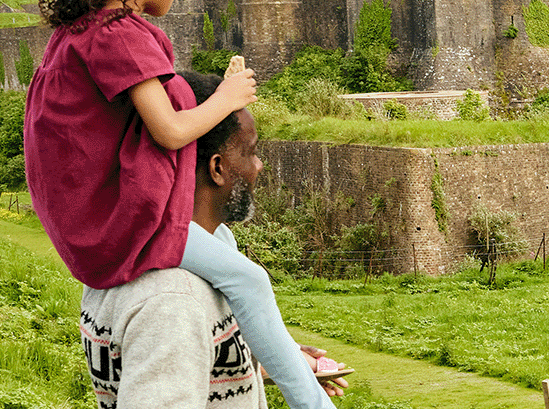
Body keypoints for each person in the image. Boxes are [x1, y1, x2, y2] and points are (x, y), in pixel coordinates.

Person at [25, 0, 333, 409]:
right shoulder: (122, 36)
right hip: (125, 223)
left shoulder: (78, 35)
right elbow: (168, 131)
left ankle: (292, 370)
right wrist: (228, 98)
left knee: (231, 259)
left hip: (89, 224)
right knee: (252, 281)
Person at [81, 71, 349, 407]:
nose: (259, 166)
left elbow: (180, 364)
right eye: (250, 152)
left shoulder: (133, 256)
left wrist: (275, 364)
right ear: (217, 167)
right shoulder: (173, 301)